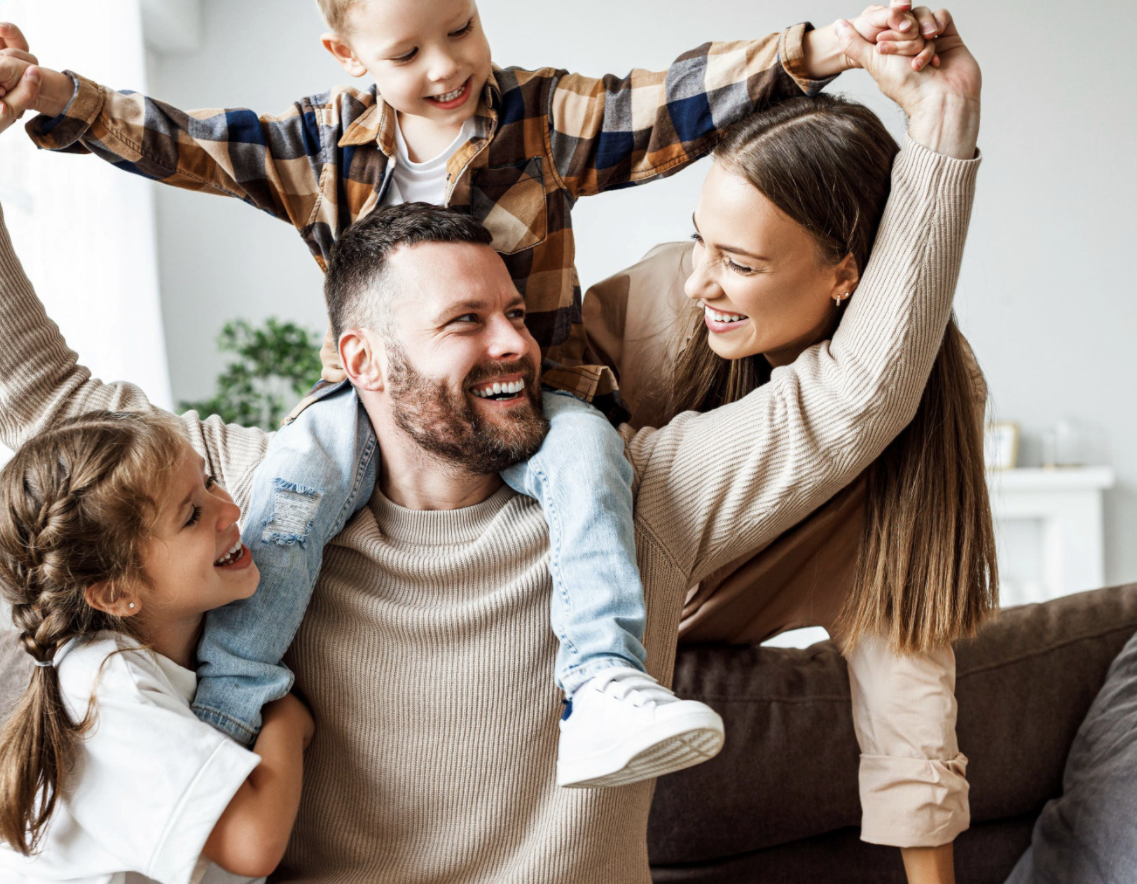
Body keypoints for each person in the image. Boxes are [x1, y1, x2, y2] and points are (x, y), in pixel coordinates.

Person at [0, 12, 981, 880]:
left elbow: (862, 392)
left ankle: (600, 684)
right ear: (365, 360)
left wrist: (939, 121)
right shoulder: (260, 512)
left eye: (516, 309)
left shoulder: (635, 493)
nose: (518, 341)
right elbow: (49, 400)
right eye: (465, 321)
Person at [582, 14, 990, 881]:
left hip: (706, 636)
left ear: (846, 272)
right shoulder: (656, 305)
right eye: (699, 237)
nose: (700, 281)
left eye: (741, 262)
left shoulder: (918, 415)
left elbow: (905, 663)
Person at [0, 411, 315, 881]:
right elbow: (251, 843)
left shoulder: (198, 640)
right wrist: (286, 717)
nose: (230, 509)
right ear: (116, 593)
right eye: (191, 516)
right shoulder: (104, 680)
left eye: (209, 482)